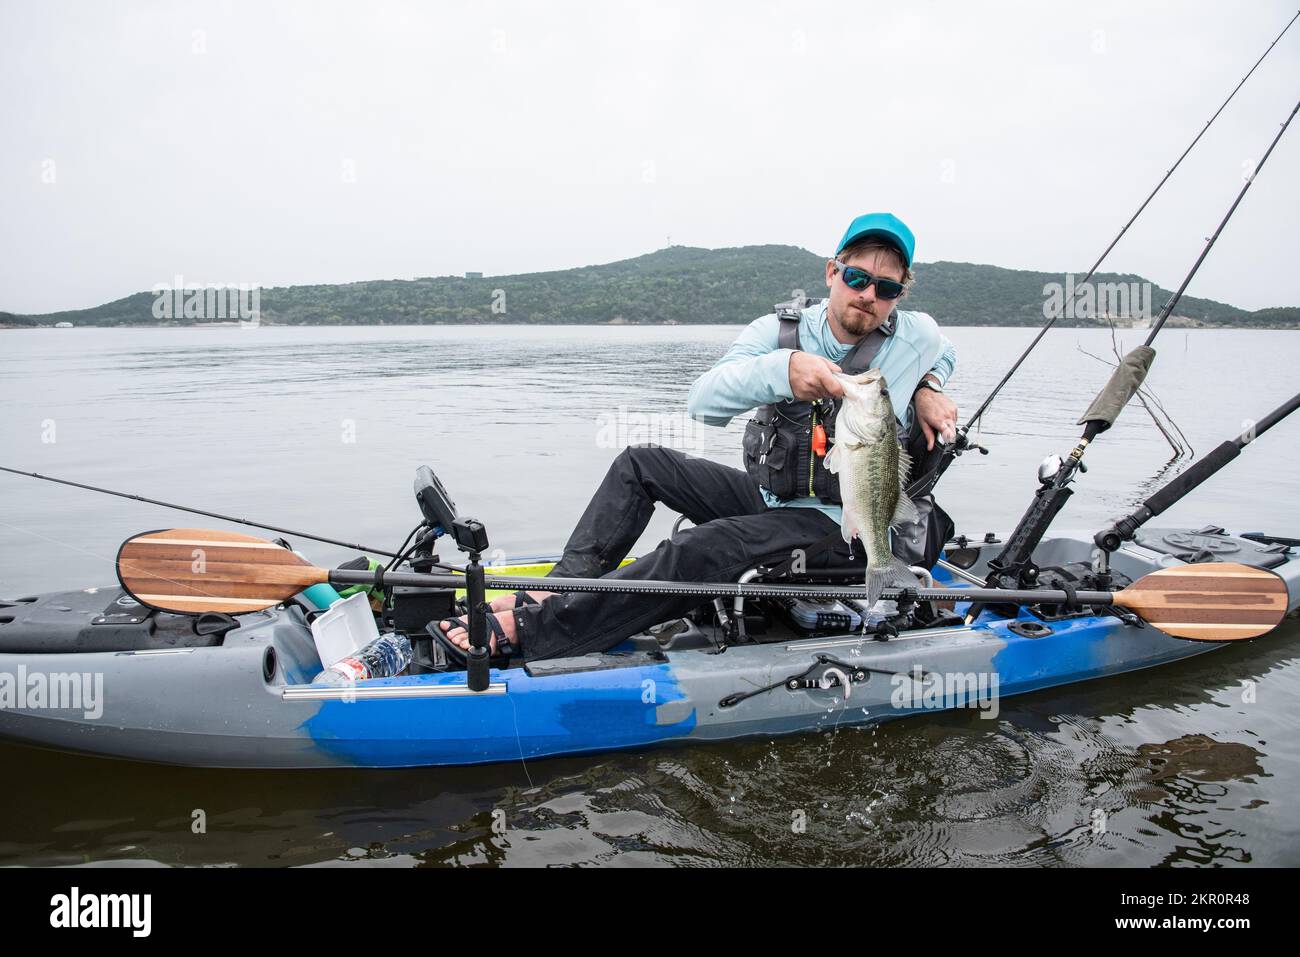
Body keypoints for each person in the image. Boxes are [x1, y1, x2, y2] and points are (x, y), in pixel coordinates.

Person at [435, 212, 958, 663]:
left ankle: (538, 632)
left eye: (887, 288)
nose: (868, 295)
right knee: (641, 463)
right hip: (771, 499)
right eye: (857, 277)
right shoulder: (775, 334)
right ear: (832, 271)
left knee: (702, 548)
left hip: (845, 525)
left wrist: (931, 387)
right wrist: (784, 369)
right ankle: (557, 591)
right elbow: (702, 402)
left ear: (899, 297)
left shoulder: (915, 335)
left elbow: (942, 350)